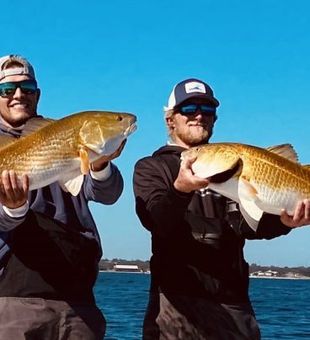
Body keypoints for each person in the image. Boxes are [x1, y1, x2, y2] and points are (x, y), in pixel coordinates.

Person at [133, 78, 310, 339]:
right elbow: (157, 220)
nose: (199, 116)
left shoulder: (231, 169)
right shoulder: (151, 167)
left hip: (233, 302)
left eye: (207, 110)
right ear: (170, 120)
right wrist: (181, 189)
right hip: (175, 303)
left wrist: (285, 223)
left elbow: (249, 224)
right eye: (189, 109)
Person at [0, 54, 125, 339]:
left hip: (78, 299)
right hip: (14, 299)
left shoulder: (66, 134)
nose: (19, 95)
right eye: (8, 90)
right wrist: (14, 209)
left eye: (28, 88)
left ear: (38, 94)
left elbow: (107, 194)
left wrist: (101, 164)